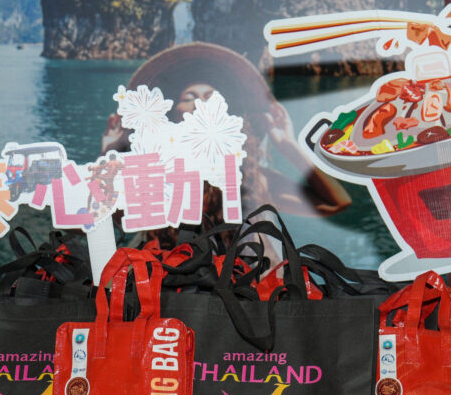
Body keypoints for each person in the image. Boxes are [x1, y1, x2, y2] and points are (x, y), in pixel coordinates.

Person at [101, 42, 352, 246]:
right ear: (173, 115)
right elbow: (102, 219)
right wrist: (109, 153)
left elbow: (336, 203)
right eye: (189, 97)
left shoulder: (253, 180)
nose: (201, 104)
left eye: (211, 98)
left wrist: (287, 145)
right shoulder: (155, 179)